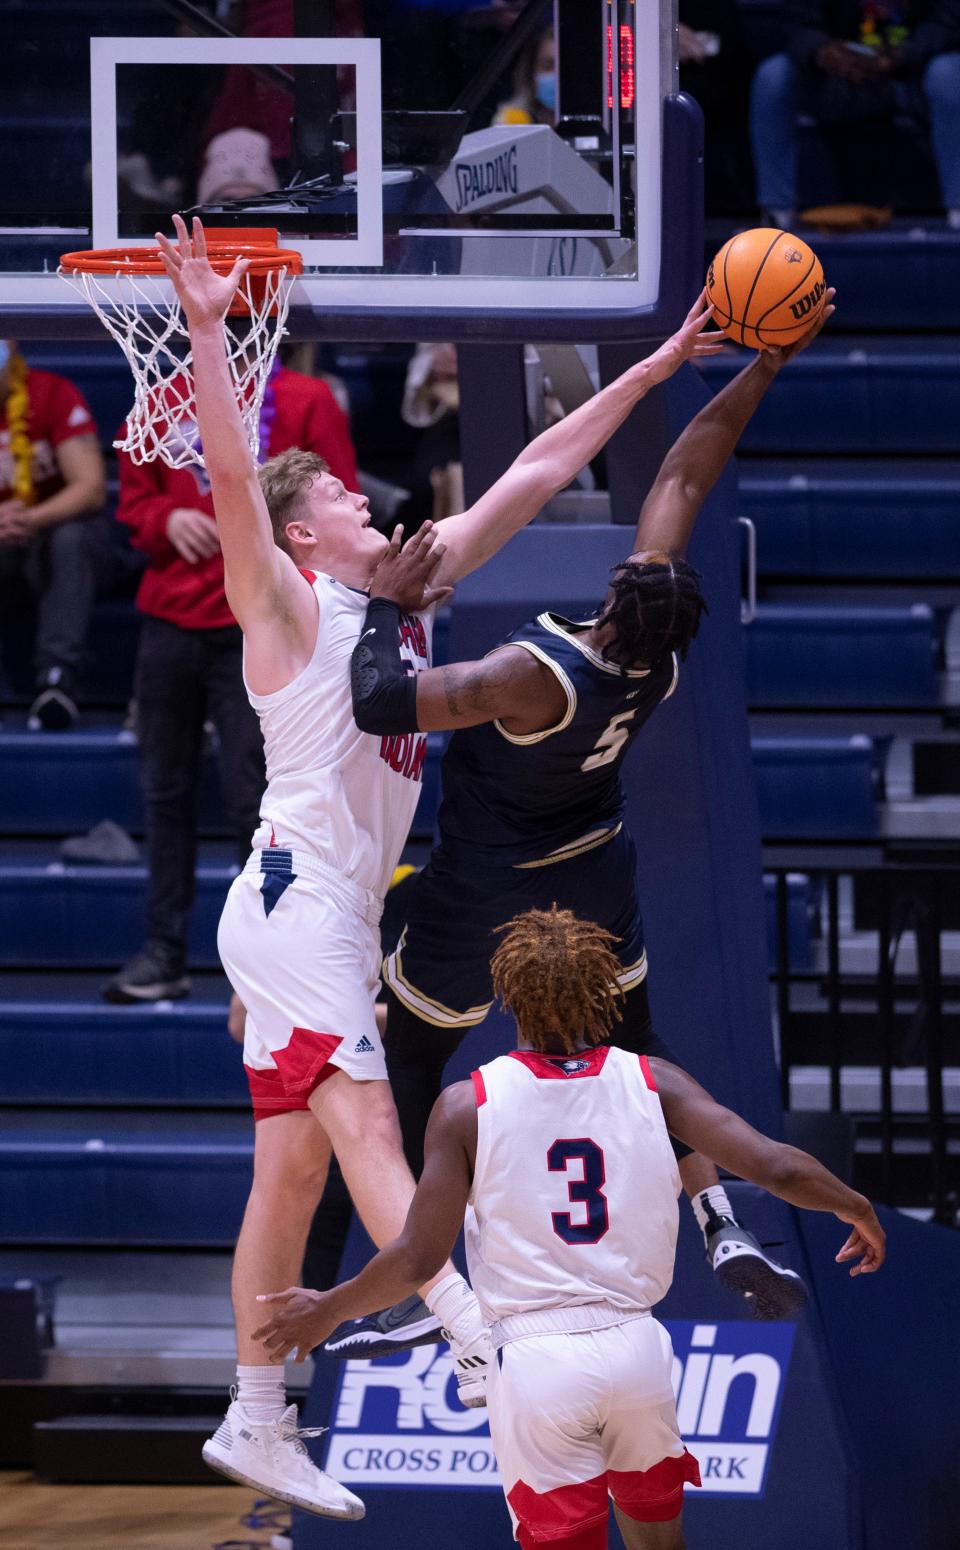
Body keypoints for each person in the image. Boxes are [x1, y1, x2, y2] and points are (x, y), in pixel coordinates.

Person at [152, 216, 720, 1518]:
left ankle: (254, 1415)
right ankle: (469, 1337)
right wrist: (201, 327)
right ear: (305, 541)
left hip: (317, 912)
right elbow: (237, 494)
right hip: (302, 904)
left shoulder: (397, 601)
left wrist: (656, 360)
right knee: (362, 1123)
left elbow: (532, 469)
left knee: (289, 1176)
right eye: (342, 498)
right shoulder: (291, 607)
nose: (367, 497)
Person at [327, 294, 836, 1362]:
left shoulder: (529, 675)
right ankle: (721, 1219)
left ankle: (422, 1276)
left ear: (620, 590)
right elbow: (689, 471)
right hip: (595, 872)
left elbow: (382, 701)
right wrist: (765, 365)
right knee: (640, 1052)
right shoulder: (657, 658)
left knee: (413, 1056)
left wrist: (385, 602)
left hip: (489, 885)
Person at [253, 905, 885, 1550]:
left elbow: (418, 1256)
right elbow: (777, 1167)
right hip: (637, 1345)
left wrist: (330, 1308)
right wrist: (854, 1206)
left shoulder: (469, 1103)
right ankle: (718, 1225)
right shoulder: (655, 1081)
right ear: (604, 993)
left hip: (536, 1358)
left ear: (508, 996)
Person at [104, 347, 359, 1005]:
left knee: (264, 803)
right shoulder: (157, 399)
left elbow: (340, 518)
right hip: (169, 620)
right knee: (164, 792)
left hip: (263, 630)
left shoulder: (306, 400)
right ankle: (165, 951)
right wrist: (169, 516)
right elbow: (132, 506)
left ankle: (275, 959)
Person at [750, 0, 960, 228]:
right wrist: (820, 51)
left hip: (913, 76)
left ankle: (957, 207)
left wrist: (904, 53)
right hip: (834, 76)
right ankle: (777, 215)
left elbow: (948, 20)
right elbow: (789, 20)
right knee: (774, 75)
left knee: (948, 73)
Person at [0, 340, 109, 729]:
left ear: (11, 347)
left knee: (71, 539)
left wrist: (31, 518)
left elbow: (91, 487)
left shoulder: (51, 392)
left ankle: (56, 681)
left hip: (53, 537)